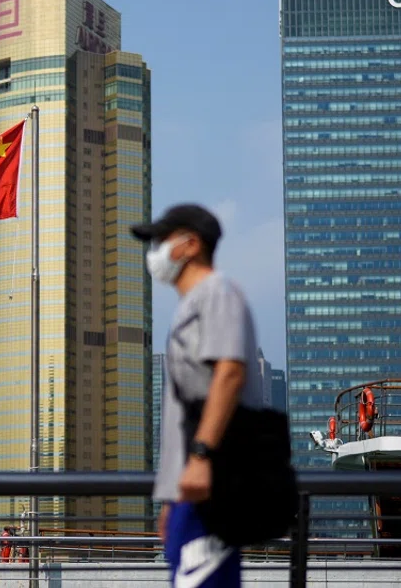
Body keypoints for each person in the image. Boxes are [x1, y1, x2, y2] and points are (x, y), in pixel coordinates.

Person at [131, 204, 262, 588]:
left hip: (212, 482)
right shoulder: (190, 306)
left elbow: (230, 371)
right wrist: (172, 498)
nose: (154, 252)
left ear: (190, 245)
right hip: (190, 489)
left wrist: (203, 458)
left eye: (160, 241)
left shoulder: (217, 293)